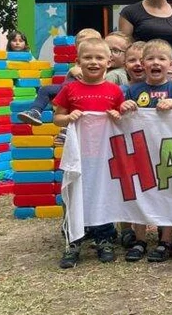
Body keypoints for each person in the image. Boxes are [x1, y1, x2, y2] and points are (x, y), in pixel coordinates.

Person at [52, 38, 124, 269]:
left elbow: (122, 120)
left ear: (109, 61)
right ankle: (73, 241)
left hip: (103, 156)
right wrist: (67, 118)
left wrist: (116, 116)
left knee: (103, 193)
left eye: (99, 57)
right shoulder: (69, 89)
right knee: (76, 195)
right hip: (77, 156)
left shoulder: (115, 91)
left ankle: (104, 239)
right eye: (88, 58)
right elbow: (57, 118)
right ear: (78, 61)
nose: (93, 62)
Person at [120, 40, 172, 263]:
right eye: (150, 58)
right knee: (141, 195)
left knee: (167, 195)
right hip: (140, 152)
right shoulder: (133, 89)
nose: (155, 62)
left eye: (161, 59)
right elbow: (122, 118)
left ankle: (166, 240)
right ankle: (140, 240)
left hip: (167, 152)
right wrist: (125, 107)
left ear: (170, 64)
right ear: (143, 63)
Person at [18, 28, 103, 126]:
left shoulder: (97, 61)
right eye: (80, 45)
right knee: (45, 90)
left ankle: (65, 129)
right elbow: (68, 79)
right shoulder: (78, 60)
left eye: (88, 45)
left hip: (79, 91)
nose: (83, 48)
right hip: (65, 88)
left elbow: (99, 77)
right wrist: (71, 71)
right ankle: (35, 112)